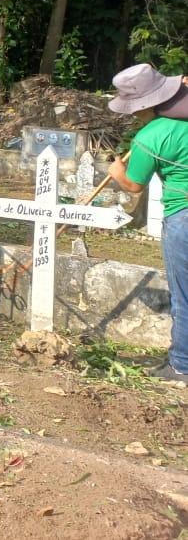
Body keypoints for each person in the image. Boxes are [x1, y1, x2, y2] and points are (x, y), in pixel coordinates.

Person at [107, 63, 188, 383]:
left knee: (183, 296)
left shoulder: (149, 138)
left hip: (183, 217)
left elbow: (134, 186)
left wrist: (116, 174)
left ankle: (181, 364)